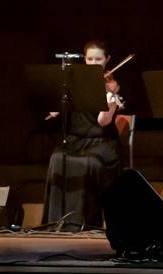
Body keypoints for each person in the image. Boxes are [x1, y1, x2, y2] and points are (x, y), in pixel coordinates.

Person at [42, 40, 123, 229]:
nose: (94, 63)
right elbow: (57, 108)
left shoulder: (110, 85)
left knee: (89, 162)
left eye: (98, 59)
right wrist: (56, 107)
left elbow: (103, 122)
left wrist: (110, 104)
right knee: (57, 157)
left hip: (102, 142)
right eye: (90, 59)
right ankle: (58, 223)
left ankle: (85, 224)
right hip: (75, 140)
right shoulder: (73, 82)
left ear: (107, 60)